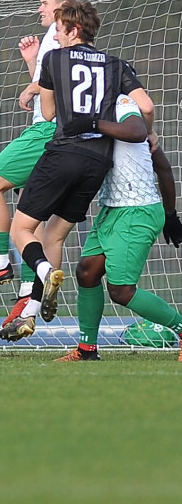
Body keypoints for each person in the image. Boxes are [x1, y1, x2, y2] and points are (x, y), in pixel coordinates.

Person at [0, 0, 153, 341]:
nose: (56, 36)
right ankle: (31, 313)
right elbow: (146, 106)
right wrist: (151, 132)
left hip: (64, 153)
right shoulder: (117, 65)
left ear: (74, 30)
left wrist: (38, 86)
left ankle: (43, 272)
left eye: (59, 30)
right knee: (54, 235)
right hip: (97, 162)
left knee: (21, 229)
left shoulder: (54, 58)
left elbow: (51, 113)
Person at [0, 0, 76, 325]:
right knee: (31, 218)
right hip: (65, 138)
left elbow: (54, 88)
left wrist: (33, 85)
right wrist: (32, 66)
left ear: (61, 8)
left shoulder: (59, 37)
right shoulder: (53, 39)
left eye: (44, 3)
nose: (39, 10)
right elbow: (52, 85)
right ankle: (30, 293)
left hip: (45, 132)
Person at [54, 95, 182, 361]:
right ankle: (87, 349)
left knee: (121, 291)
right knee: (87, 272)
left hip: (137, 210)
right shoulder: (83, 112)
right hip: (111, 209)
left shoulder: (122, 104)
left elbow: (163, 166)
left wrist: (171, 215)